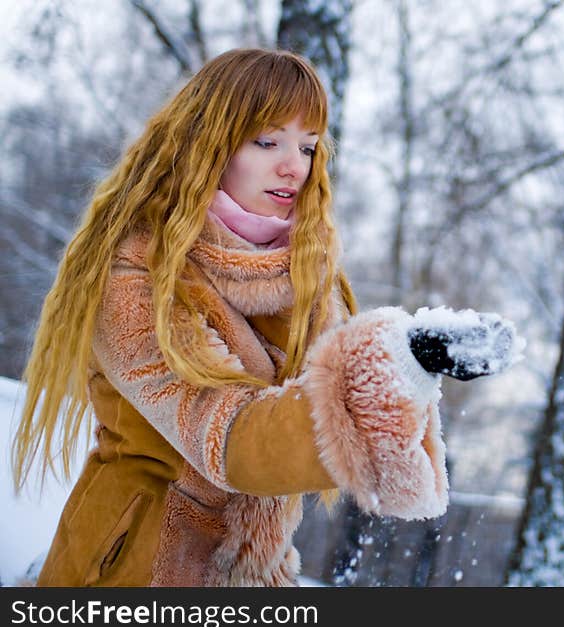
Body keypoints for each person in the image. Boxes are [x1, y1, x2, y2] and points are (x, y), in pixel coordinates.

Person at [12, 48, 514, 586]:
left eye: (308, 145)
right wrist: (397, 361)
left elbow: (340, 407)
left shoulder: (306, 281)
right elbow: (232, 439)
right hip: (136, 571)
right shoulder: (140, 276)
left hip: (255, 575)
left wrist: (414, 364)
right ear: (209, 144)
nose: (293, 165)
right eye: (267, 141)